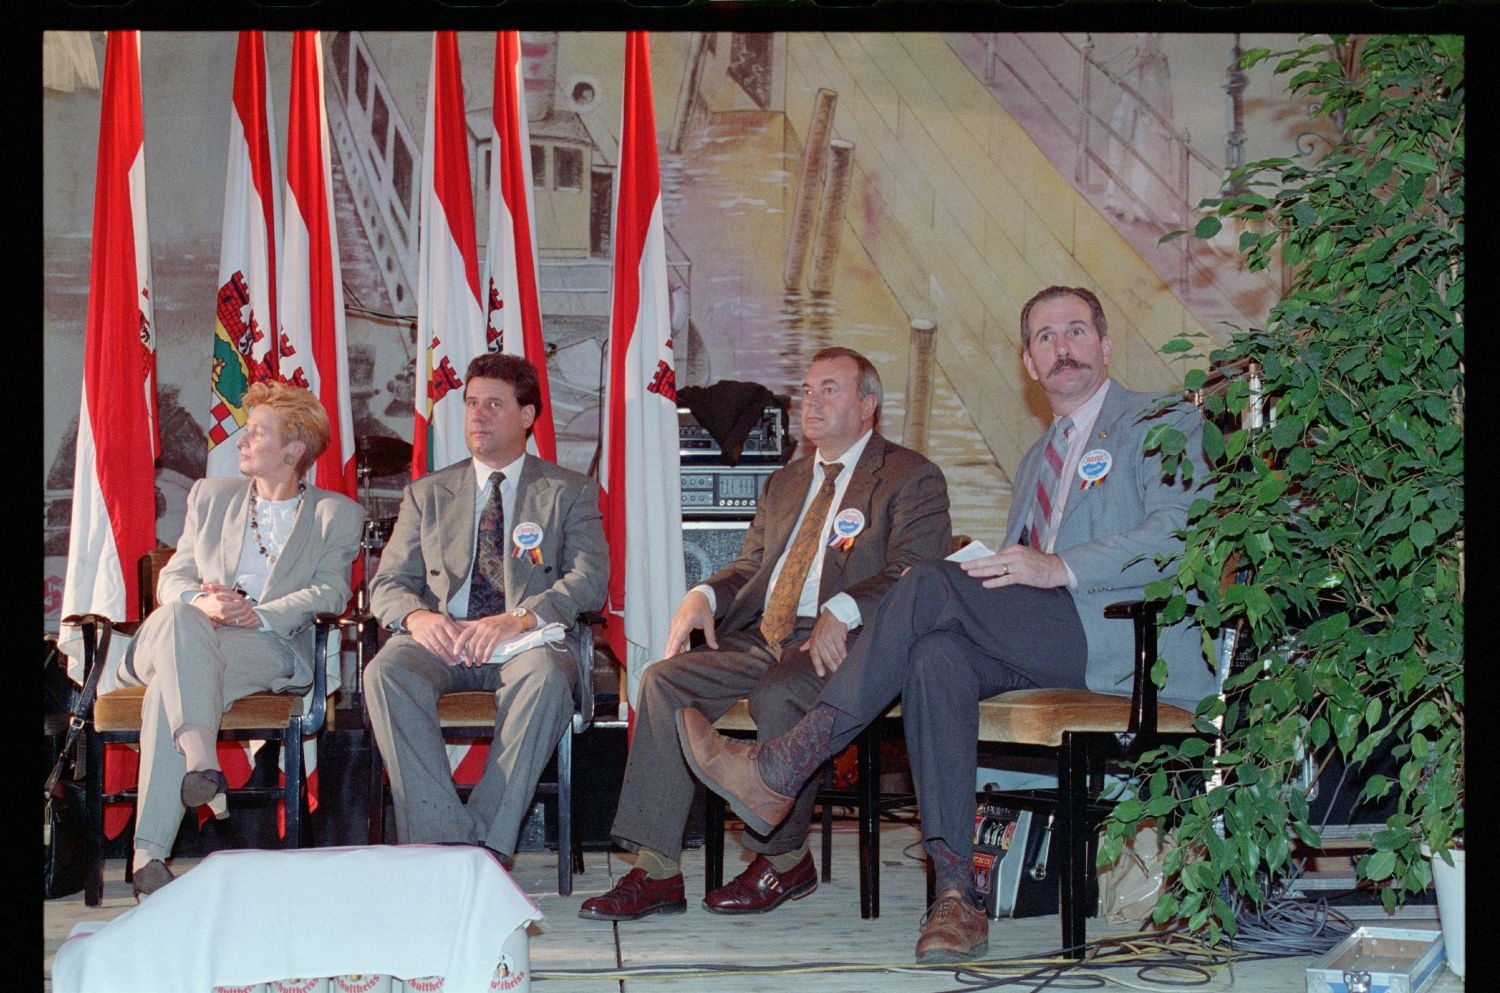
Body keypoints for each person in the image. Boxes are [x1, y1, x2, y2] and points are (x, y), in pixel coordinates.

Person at [677, 286, 1216, 963]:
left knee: (926, 577)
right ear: (1028, 362)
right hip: (1047, 637)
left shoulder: (1162, 420)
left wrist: (1059, 565)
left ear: (1106, 346)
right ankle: (957, 896)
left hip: (1124, 640)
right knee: (935, 654)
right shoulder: (1036, 460)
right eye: (1046, 338)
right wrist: (1009, 566)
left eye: (1077, 331)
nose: (1063, 347)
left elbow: (1179, 536)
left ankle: (787, 760)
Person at [579, 346, 951, 922]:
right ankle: (657, 871)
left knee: (782, 692)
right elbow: (752, 566)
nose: (811, 401)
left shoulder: (910, 476)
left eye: (830, 388)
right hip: (763, 632)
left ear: (868, 405)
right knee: (662, 681)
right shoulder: (786, 482)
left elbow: (916, 571)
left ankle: (783, 858)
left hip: (849, 641)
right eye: (806, 389)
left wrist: (846, 607)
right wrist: (702, 595)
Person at [120, 381, 363, 899]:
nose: (241, 441)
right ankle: (201, 757)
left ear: (294, 449)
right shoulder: (212, 497)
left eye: (257, 432)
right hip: (189, 633)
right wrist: (203, 603)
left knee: (173, 683)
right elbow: (173, 578)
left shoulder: (335, 514)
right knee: (180, 621)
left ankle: (148, 856)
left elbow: (332, 589)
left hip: (266, 645)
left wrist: (257, 614)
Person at [364, 352, 607, 864]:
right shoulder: (428, 494)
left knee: (543, 681)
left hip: (526, 640)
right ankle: (444, 842)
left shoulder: (569, 491)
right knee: (386, 672)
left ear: (526, 416)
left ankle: (486, 848)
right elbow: (386, 584)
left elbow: (589, 580)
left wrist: (519, 618)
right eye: (472, 403)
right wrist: (419, 617)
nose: (477, 415)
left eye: (494, 405)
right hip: (444, 639)